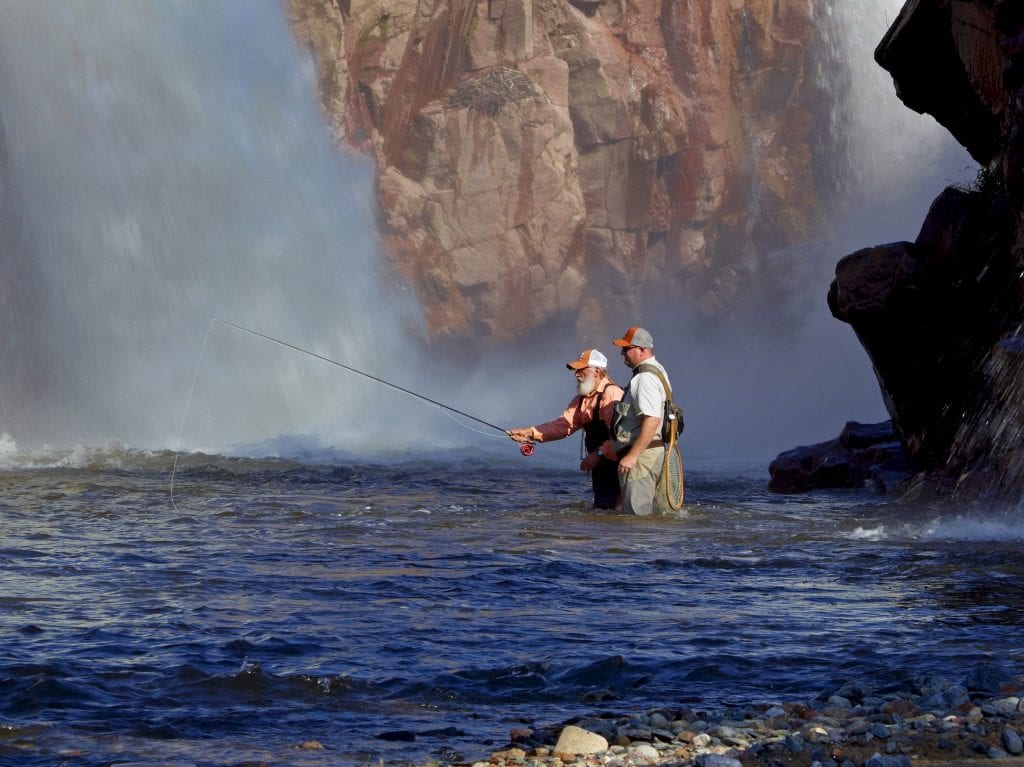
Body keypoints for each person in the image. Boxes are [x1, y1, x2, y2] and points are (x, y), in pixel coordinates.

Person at [507, 349, 624, 509]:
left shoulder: (612, 394)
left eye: (580, 369)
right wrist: (529, 432)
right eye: (575, 370)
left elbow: (620, 434)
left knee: (617, 512)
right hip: (600, 467)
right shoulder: (582, 398)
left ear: (596, 371)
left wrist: (598, 454)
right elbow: (563, 425)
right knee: (604, 514)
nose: (576, 374)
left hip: (619, 467)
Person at [611, 326, 673, 515]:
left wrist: (633, 456)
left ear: (642, 350)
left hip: (642, 457)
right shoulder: (656, 371)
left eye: (626, 348)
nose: (622, 353)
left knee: (636, 519)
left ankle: (638, 546)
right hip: (649, 453)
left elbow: (652, 420)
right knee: (645, 516)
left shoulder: (645, 377)